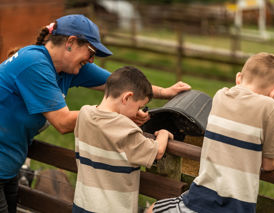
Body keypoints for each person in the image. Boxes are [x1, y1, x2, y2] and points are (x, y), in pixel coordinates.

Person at [0, 14, 190, 213]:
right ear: (70, 42)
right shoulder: (35, 64)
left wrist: (164, 92)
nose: (91, 60)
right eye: (90, 52)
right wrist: (117, 115)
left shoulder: (66, 68)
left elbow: (120, 86)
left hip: (9, 164)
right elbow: (62, 122)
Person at [147, 52, 274, 213]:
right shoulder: (269, 106)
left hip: (201, 199)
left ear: (238, 78)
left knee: (153, 209)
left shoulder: (220, 96)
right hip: (238, 207)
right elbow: (269, 163)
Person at [72, 66, 173, 213]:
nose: (138, 112)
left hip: (82, 203)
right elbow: (157, 151)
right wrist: (163, 134)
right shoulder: (125, 128)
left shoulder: (84, 113)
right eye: (139, 106)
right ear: (126, 97)